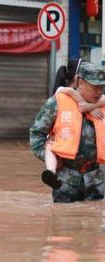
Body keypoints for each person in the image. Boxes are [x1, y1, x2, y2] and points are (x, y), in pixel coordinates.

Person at [30, 62, 105, 203]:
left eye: (102, 87)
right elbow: (37, 134)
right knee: (63, 220)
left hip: (96, 181)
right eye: (95, 86)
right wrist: (51, 160)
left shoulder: (103, 106)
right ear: (80, 82)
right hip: (65, 181)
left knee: (94, 220)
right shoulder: (57, 103)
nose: (99, 92)